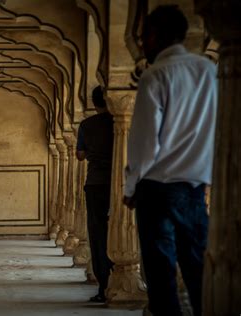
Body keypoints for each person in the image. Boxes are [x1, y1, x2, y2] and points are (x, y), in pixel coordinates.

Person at [123, 5, 217, 316]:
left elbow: (145, 141)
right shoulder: (209, 71)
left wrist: (130, 186)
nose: (143, 44)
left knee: (161, 273)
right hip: (193, 187)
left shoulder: (156, 74)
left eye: (144, 37)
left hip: (157, 187)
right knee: (198, 266)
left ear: (155, 36)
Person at [76, 85, 114, 303]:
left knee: (98, 235)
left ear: (94, 102)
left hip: (96, 183)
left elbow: (80, 155)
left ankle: (104, 286)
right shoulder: (120, 122)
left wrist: (93, 150)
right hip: (120, 184)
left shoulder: (87, 124)